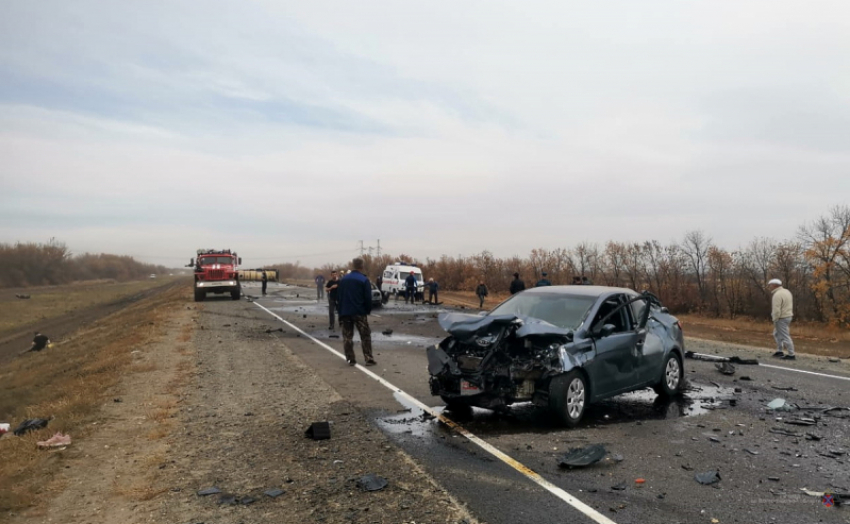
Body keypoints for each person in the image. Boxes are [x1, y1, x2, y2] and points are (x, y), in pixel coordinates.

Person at [336, 258, 376, 366]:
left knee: (347, 336)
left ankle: (350, 358)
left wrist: (340, 311)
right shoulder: (363, 280)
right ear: (362, 266)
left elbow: (339, 297)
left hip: (346, 312)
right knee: (365, 335)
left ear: (353, 266)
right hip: (359, 312)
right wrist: (367, 310)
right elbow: (368, 298)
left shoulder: (343, 280)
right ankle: (368, 358)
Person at [768, 278, 795, 360]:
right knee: (776, 333)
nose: (770, 287)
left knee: (784, 335)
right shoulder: (787, 292)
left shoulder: (777, 295)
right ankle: (780, 351)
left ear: (774, 285)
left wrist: (775, 319)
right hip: (788, 316)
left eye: (770, 285)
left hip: (781, 317)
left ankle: (791, 354)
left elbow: (776, 309)